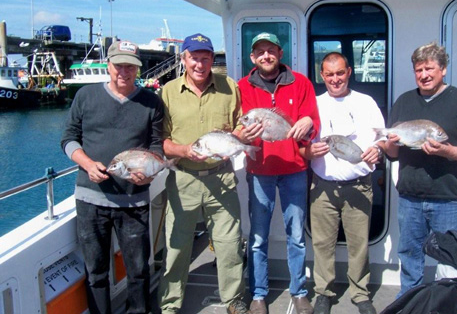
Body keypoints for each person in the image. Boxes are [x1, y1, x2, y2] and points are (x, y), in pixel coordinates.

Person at [61, 40, 164, 314]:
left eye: (130, 67)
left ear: (138, 69)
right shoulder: (85, 96)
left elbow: (156, 145)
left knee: (139, 271)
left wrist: (149, 175)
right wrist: (86, 163)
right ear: (109, 65)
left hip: (133, 202)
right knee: (95, 271)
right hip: (90, 200)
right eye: (119, 65)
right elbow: (69, 139)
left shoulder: (151, 102)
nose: (124, 72)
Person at [381, 42, 457, 297]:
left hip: (449, 199)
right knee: (409, 256)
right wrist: (390, 142)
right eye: (419, 70)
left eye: (429, 68)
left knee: (450, 260)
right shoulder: (405, 101)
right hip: (410, 198)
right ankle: (409, 302)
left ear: (443, 69)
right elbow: (392, 154)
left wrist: (449, 151)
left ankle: (445, 303)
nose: (424, 75)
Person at [157, 33, 249, 314]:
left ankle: (234, 300)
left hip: (221, 175)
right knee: (176, 246)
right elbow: (161, 140)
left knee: (230, 244)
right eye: (194, 57)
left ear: (212, 59)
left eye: (205, 57)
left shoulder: (229, 87)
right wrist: (184, 151)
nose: (200, 63)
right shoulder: (168, 92)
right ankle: (170, 305)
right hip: (183, 178)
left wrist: (234, 139)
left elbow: (242, 125)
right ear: (184, 59)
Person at [237, 32, 320, 314]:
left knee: (296, 235)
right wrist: (244, 135)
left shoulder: (302, 83)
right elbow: (237, 130)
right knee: (257, 237)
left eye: (271, 50)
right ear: (252, 57)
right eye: (260, 52)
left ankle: (299, 291)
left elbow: (314, 124)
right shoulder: (242, 87)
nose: (266, 56)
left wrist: (308, 122)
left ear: (280, 53)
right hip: (259, 171)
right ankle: (258, 294)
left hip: (295, 169)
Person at [300, 52, 384, 314]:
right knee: (322, 243)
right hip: (323, 186)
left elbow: (382, 138)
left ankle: (360, 293)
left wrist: (378, 150)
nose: (335, 79)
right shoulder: (313, 105)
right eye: (329, 74)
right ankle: (324, 292)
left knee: (359, 243)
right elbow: (300, 148)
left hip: (359, 184)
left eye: (340, 73)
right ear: (322, 76)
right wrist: (308, 154)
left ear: (349, 72)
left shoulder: (366, 102)